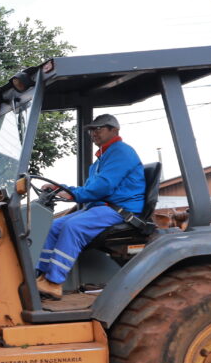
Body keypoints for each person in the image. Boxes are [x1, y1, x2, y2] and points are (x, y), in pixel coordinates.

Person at [36, 114, 144, 299]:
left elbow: (103, 186)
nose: (93, 133)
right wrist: (60, 188)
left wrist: (74, 194)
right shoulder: (100, 160)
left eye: (98, 128)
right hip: (100, 207)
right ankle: (40, 275)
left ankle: (54, 282)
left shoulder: (121, 152)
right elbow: (90, 189)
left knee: (73, 227)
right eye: (91, 130)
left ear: (114, 130)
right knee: (54, 226)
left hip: (118, 209)